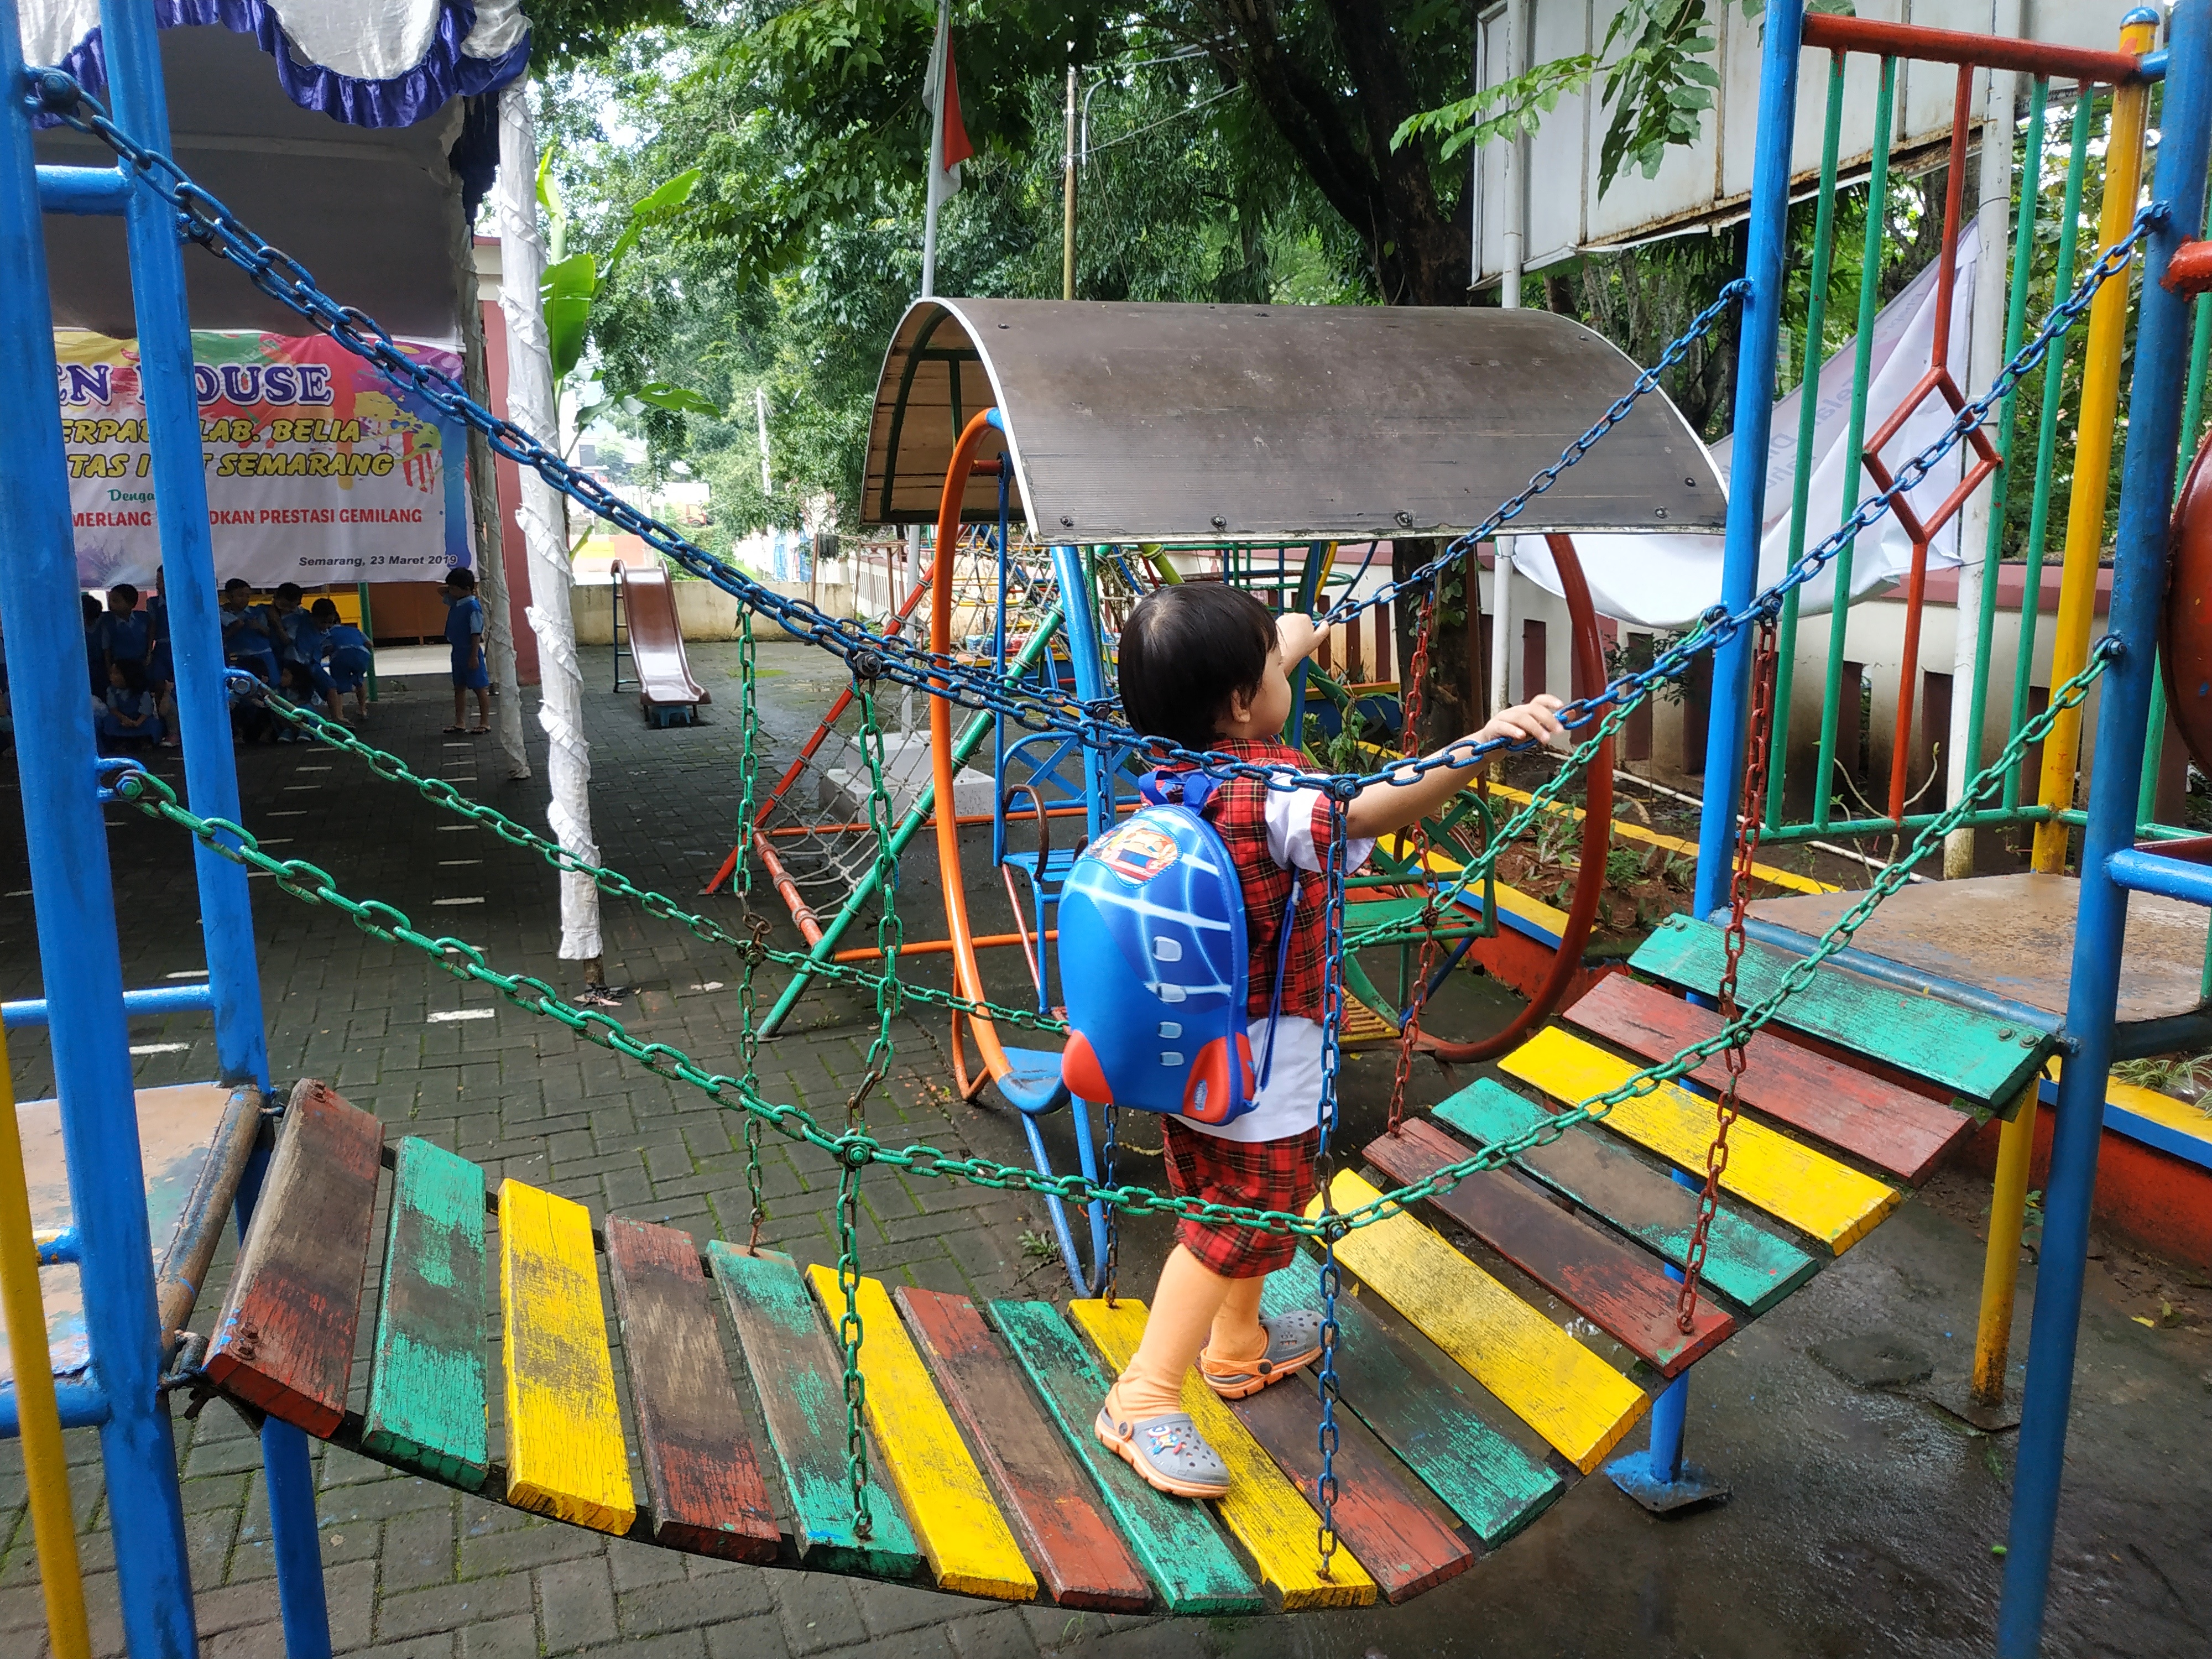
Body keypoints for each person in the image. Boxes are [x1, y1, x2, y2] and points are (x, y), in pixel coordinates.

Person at [1093, 583, 1567, 1500]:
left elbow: (1253, 674)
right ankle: (1145, 1394)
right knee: (1236, 1213)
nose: (1287, 672)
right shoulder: (1273, 794)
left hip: (1195, 1052)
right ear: (1240, 702)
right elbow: (1367, 809)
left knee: (1240, 1200)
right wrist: (1485, 744)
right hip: (1266, 1059)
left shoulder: (1174, 760)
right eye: (1275, 667)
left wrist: (1294, 640)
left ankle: (1235, 1346)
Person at [442, 566, 490, 734]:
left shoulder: (472, 607)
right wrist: (452, 587)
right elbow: (440, 592)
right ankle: (460, 722)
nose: (450, 591)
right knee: (459, 687)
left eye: (454, 588)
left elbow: (475, 633)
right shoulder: (456, 602)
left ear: (467, 590)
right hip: (457, 651)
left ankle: (484, 722)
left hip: (470, 651)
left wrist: (474, 656)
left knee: (479, 688)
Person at [312, 598, 373, 723]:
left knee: (336, 686)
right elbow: (369, 644)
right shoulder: (354, 630)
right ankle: (362, 709)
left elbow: (327, 648)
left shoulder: (328, 633)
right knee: (360, 681)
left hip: (341, 655)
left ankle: (338, 715)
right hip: (362, 654)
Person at [98, 659, 164, 750]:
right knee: (109, 721)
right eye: (111, 674)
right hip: (121, 721)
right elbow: (113, 709)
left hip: (140, 721)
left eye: (116, 673)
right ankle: (120, 741)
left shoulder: (142, 692)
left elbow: (146, 711)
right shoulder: (111, 691)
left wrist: (137, 723)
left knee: (154, 724)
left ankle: (144, 741)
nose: (112, 677)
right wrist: (124, 719)